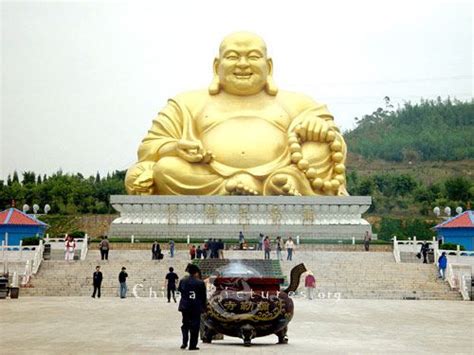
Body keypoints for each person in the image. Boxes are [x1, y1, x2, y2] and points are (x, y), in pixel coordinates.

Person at [125, 32, 348, 198]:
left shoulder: (299, 102)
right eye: (232, 57)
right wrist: (175, 147)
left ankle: (284, 181)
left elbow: (335, 143)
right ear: (216, 66)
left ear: (268, 67)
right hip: (208, 177)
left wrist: (316, 128)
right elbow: (149, 148)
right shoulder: (186, 102)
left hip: (283, 170)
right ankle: (234, 187)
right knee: (166, 169)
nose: (242, 64)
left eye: (252, 57)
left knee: (319, 149)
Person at [178, 264, 207, 350]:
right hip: (196, 307)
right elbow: (203, 296)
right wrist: (204, 307)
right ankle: (192, 345)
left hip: (185, 306)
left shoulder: (183, 280)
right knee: (195, 325)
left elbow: (180, 290)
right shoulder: (200, 283)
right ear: (196, 273)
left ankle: (184, 342)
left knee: (185, 324)